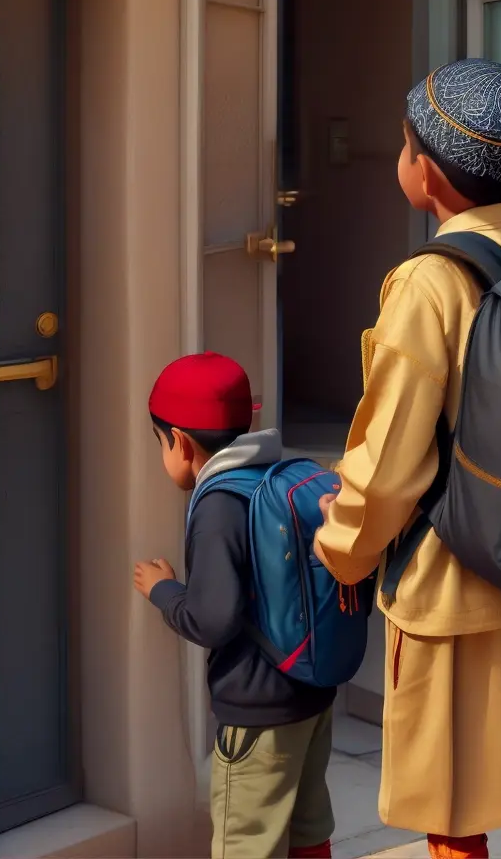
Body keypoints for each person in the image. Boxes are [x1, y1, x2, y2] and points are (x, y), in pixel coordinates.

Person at [313, 59, 501, 859]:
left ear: (428, 173)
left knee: (456, 806)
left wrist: (343, 551)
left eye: (406, 145)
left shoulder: (427, 285)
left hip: (452, 592)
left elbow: (392, 461)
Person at [133, 352, 335, 859]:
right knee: (309, 831)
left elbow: (212, 618)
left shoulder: (218, 506)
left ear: (179, 441)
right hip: (313, 695)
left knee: (245, 844)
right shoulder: (282, 474)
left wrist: (163, 591)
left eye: (160, 442)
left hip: (256, 713)